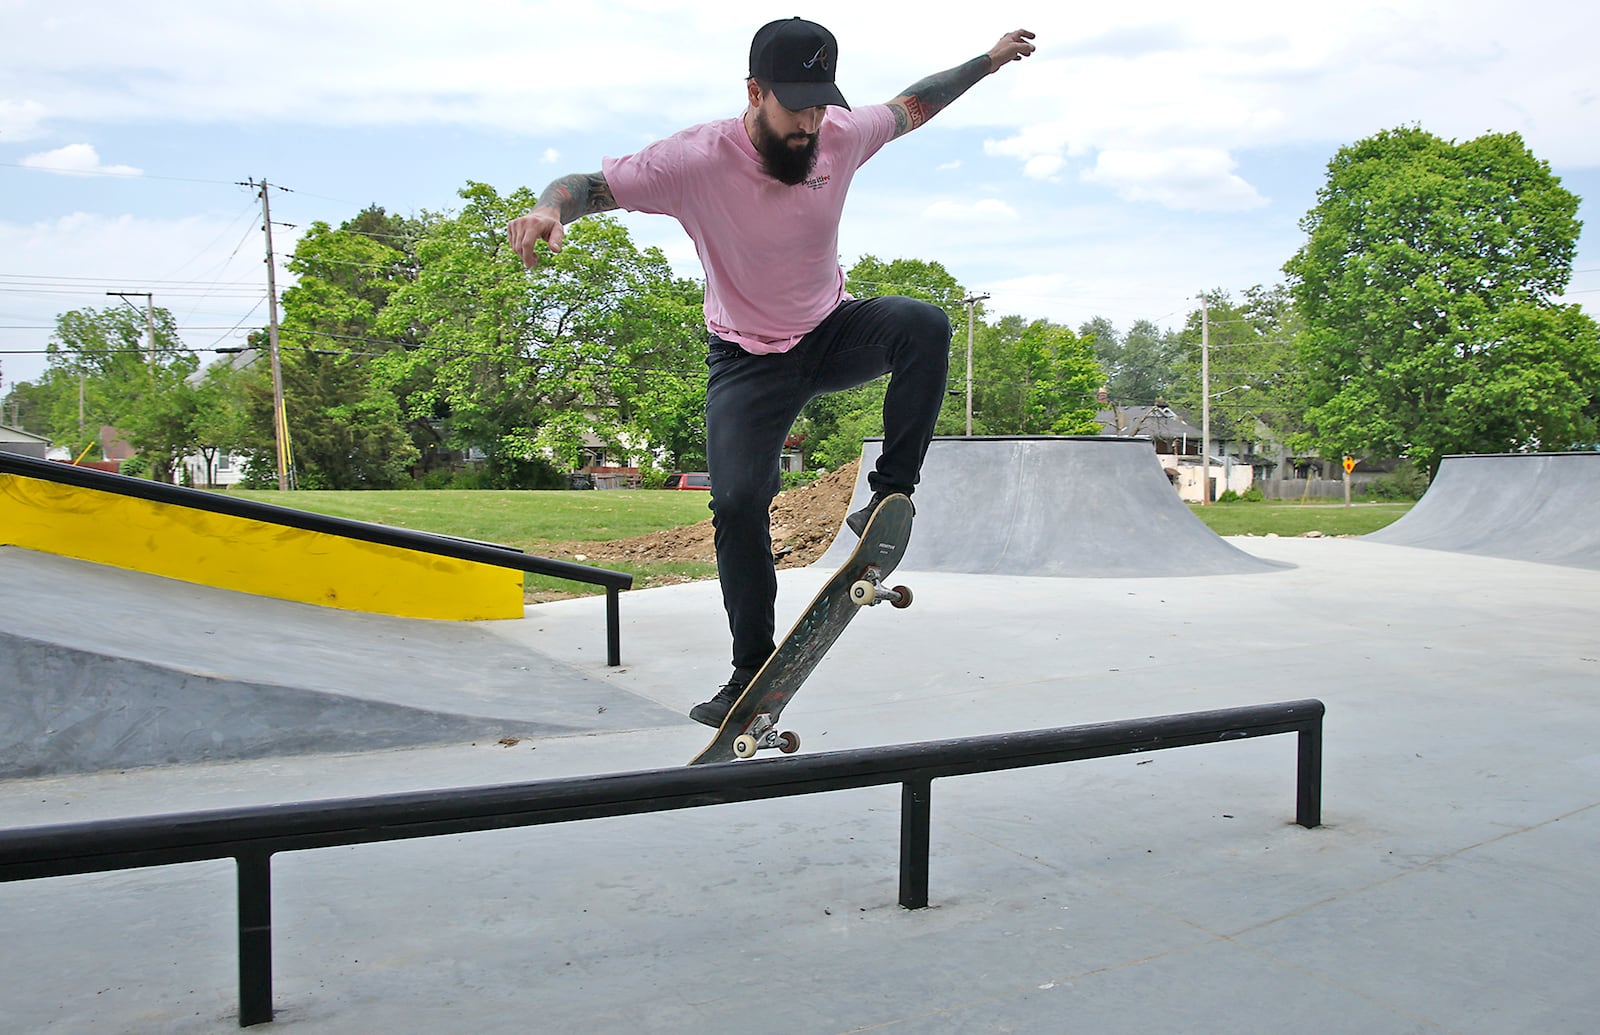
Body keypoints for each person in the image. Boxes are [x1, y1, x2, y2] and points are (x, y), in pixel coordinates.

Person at [508, 18, 1036, 727]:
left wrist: (988, 62)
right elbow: (588, 184)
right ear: (755, 93)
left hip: (829, 333)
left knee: (924, 324)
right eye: (796, 108)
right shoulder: (690, 160)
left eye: (821, 106)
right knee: (736, 505)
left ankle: (888, 498)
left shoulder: (841, 133)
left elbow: (916, 105)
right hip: (745, 361)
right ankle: (750, 671)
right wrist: (549, 207)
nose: (811, 124)